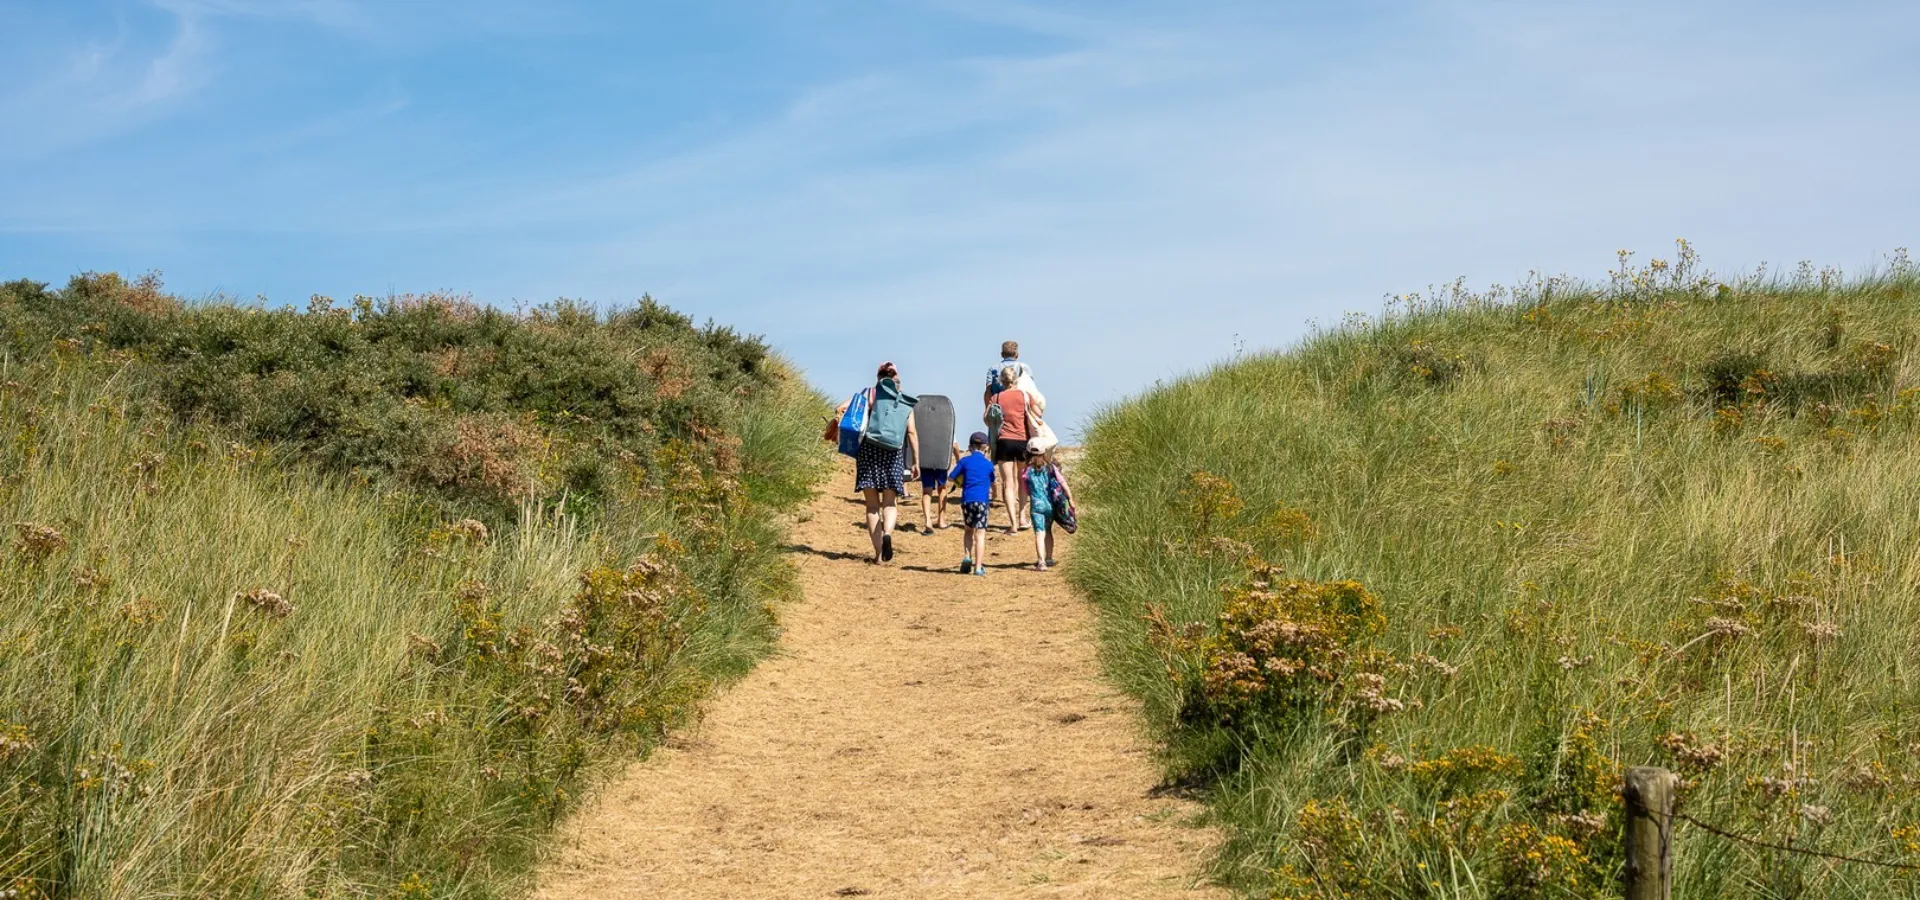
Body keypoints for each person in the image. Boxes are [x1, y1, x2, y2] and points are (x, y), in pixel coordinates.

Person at [837, 362, 918, 564]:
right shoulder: (904, 401)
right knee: (890, 503)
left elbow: (842, 408)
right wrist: (916, 461)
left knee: (872, 506)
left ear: (878, 377)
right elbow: (912, 433)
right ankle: (888, 533)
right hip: (893, 454)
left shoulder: (870, 394)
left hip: (869, 451)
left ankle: (879, 554)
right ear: (896, 379)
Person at [988, 365, 1037, 532]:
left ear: (1001, 380)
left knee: (1008, 484)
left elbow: (987, 419)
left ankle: (1013, 524)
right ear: (1016, 379)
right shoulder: (1024, 396)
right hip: (1023, 440)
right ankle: (1023, 517)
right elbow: (1037, 413)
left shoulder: (996, 397)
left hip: (1004, 442)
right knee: (1023, 481)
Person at [947, 431, 996, 576]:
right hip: (982, 501)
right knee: (980, 534)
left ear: (969, 447)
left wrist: (959, 481)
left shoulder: (964, 461)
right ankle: (978, 567)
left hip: (967, 500)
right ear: (986, 448)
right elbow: (993, 482)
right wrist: (996, 494)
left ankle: (967, 556)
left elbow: (950, 477)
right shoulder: (988, 464)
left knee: (968, 530)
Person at [918, 438, 962, 533]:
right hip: (941, 459)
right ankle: (941, 521)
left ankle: (928, 522)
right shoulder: (946, 423)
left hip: (926, 459)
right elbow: (954, 445)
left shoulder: (923, 425)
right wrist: (959, 461)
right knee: (942, 488)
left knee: (927, 491)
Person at [1024, 452, 1058, 570]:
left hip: (1036, 505)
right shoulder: (1049, 468)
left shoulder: (1027, 471)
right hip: (1049, 505)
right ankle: (1049, 558)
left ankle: (1041, 562)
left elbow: (1026, 490)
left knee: (1039, 533)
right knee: (1048, 531)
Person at [981, 339, 1031, 409]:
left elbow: (988, 391)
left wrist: (987, 410)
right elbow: (1031, 390)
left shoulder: (993, 368)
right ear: (1017, 355)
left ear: (1002, 354)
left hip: (998, 406)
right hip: (1020, 407)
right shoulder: (1024, 368)